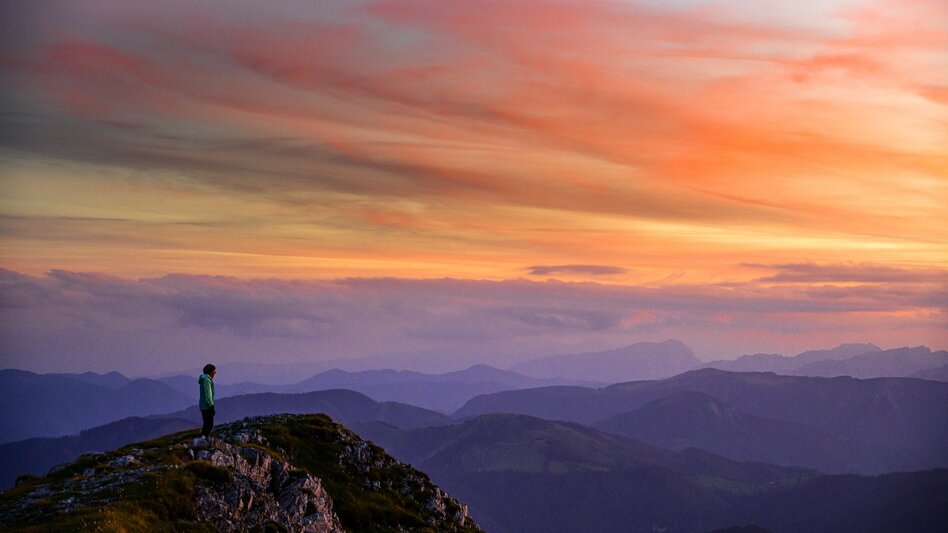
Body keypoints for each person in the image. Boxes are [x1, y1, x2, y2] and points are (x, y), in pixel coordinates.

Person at [198, 364, 216, 440]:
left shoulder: (206, 379)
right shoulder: (206, 380)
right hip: (206, 405)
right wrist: (211, 405)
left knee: (207, 423)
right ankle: (203, 440)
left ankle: (203, 439)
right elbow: (208, 394)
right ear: (210, 372)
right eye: (214, 371)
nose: (215, 373)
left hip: (204, 405)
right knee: (209, 424)